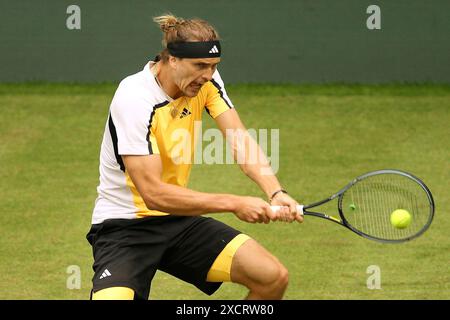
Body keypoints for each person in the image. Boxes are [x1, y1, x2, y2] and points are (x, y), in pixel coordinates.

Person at [86, 13, 303, 300]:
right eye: (200, 65)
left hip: (178, 218)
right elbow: (153, 194)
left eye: (214, 66)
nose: (208, 75)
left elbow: (240, 140)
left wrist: (275, 191)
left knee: (272, 277)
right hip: (124, 227)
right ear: (171, 59)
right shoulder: (134, 98)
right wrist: (235, 203)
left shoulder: (206, 82)